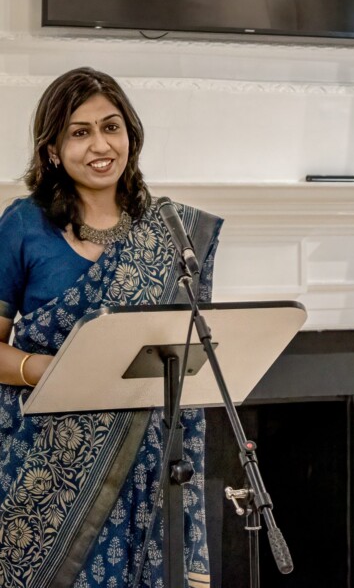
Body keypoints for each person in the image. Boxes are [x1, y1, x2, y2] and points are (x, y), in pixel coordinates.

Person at [0, 67, 222, 588]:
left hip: (149, 465)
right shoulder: (24, 225)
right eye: (79, 132)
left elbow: (189, 354)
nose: (100, 145)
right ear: (53, 151)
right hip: (48, 471)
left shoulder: (172, 232)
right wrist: (53, 370)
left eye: (111, 127)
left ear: (131, 136)